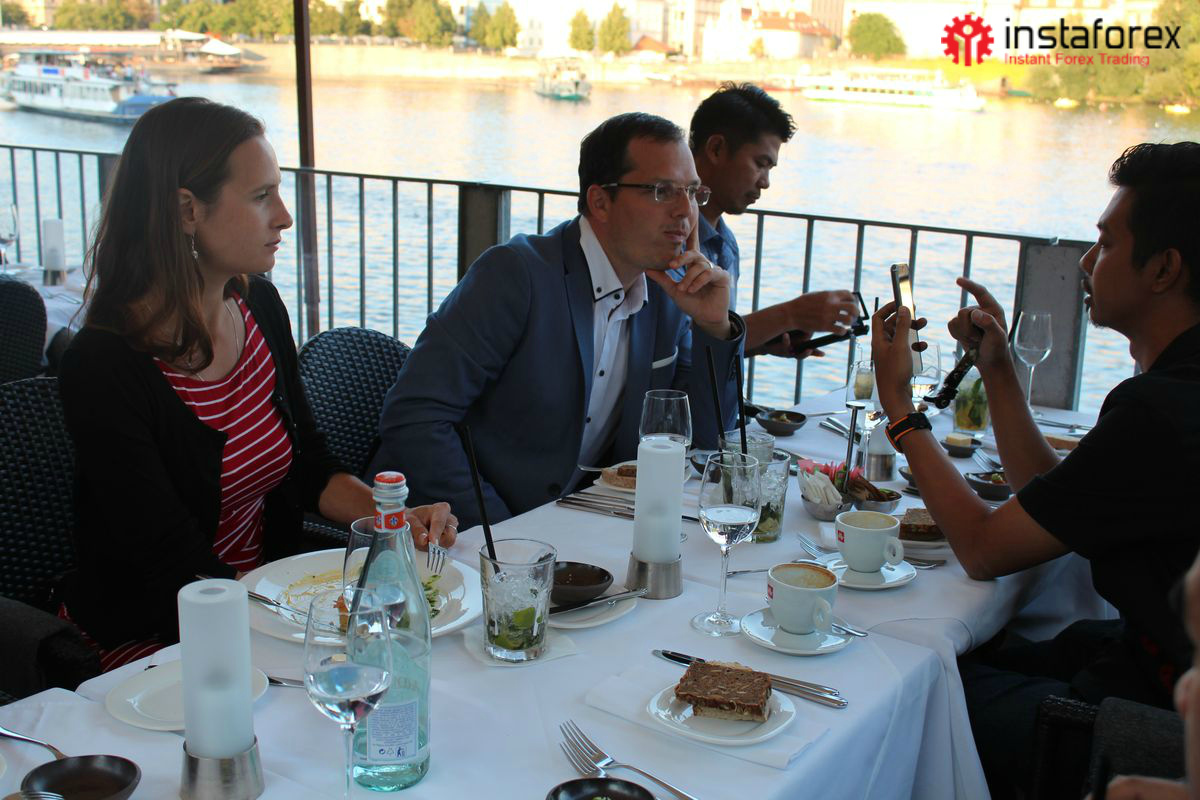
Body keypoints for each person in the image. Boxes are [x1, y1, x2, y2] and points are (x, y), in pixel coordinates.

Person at [57, 98, 456, 668]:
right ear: (187, 211)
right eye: (261, 195)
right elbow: (169, 562)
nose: (285, 217)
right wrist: (307, 623)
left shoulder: (260, 307)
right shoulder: (103, 367)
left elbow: (309, 468)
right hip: (160, 634)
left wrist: (397, 521)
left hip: (267, 607)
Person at [870, 141, 1200, 797]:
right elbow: (1058, 500)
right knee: (974, 649)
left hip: (1154, 720)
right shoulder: (1176, 393)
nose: (1085, 261)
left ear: (1164, 269)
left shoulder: (1160, 413)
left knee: (902, 690)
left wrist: (901, 411)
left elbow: (984, 550)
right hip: (1142, 661)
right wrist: (998, 372)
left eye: (1105, 244)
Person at [369, 112, 746, 529]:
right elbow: (416, 417)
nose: (685, 211)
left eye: (692, 192)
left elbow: (706, 439)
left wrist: (715, 327)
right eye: (662, 191)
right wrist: (506, 534)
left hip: (587, 520)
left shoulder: (668, 292)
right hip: (454, 530)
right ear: (600, 201)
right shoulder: (516, 275)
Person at [688, 83, 859, 358]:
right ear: (716, 149)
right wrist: (789, 315)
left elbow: (714, 344)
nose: (765, 182)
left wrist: (764, 343)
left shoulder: (725, 242)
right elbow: (680, 351)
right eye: (760, 164)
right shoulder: (670, 238)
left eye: (769, 168)